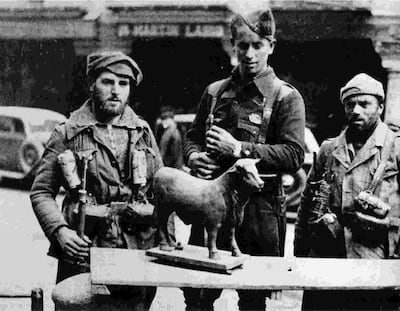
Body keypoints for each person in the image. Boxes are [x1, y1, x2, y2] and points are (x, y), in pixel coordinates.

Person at [183, 8, 305, 311]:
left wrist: (239, 149)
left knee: (252, 301)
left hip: (258, 212)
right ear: (232, 46)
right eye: (242, 46)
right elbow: (192, 136)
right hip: (210, 206)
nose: (249, 54)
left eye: (257, 45)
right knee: (197, 297)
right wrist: (194, 156)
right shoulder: (214, 92)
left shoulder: (285, 98)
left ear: (271, 46)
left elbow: (293, 155)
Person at [30, 51, 163, 310]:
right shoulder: (67, 132)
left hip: (135, 249)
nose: (116, 91)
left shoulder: (143, 132)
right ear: (92, 84)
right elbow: (41, 192)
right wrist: (60, 231)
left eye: (123, 84)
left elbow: (162, 189)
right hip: (84, 249)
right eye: (108, 82)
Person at [294, 73, 400, 310]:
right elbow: (306, 204)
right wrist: (301, 256)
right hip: (328, 260)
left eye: (364, 104)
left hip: (377, 263)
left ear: (380, 107)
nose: (356, 110)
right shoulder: (329, 150)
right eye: (350, 104)